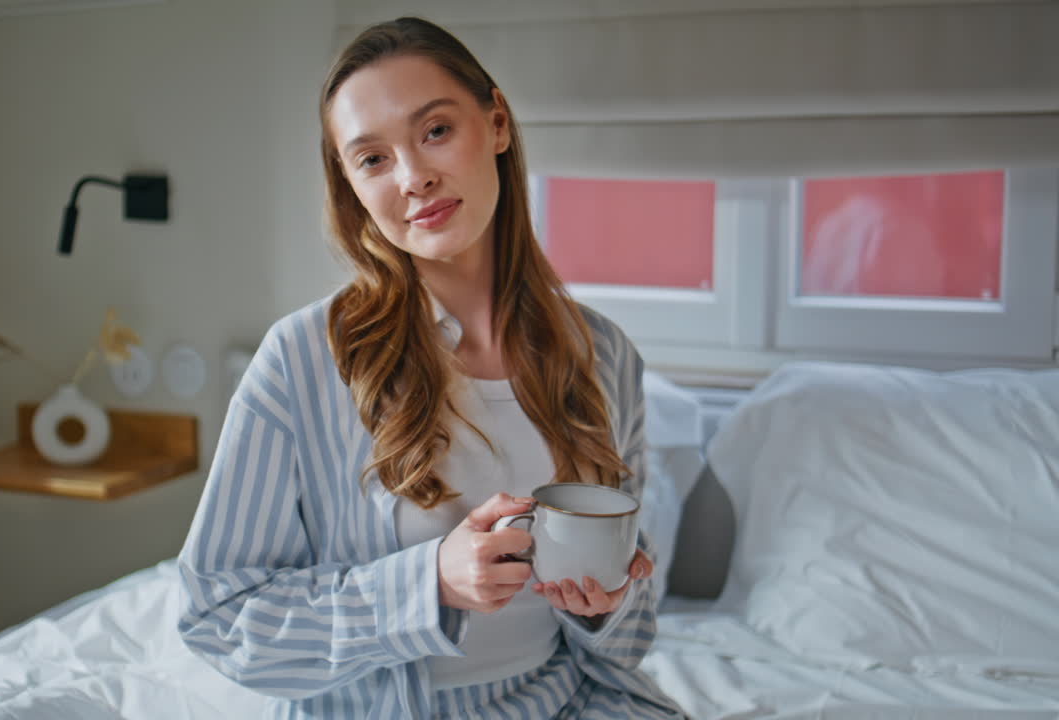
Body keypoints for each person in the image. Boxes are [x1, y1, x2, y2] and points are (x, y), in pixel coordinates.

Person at [177, 16, 686, 720]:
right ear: (351, 186)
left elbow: (630, 639)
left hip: (568, 702)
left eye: (436, 131)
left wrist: (607, 606)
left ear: (497, 123)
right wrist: (427, 585)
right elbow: (219, 617)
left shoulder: (604, 357)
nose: (415, 177)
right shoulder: (300, 362)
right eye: (373, 159)